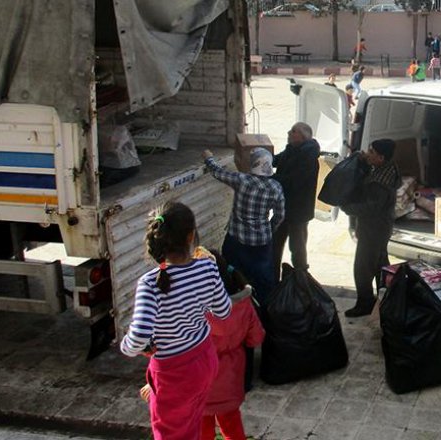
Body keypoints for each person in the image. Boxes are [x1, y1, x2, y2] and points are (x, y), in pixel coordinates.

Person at [121, 202, 232, 440]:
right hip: (204, 361)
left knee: (171, 433)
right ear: (191, 236)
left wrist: (127, 346)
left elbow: (139, 334)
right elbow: (223, 311)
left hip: (173, 373)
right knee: (191, 420)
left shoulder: (150, 283)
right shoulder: (208, 267)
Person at [199, 251, 265, 440]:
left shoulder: (193, 311)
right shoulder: (244, 303)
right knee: (233, 428)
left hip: (201, 382)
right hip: (232, 380)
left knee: (202, 431)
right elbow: (256, 338)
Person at [205, 148, 284, 304]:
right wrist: (268, 228)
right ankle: (263, 312)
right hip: (262, 241)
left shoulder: (241, 180)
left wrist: (209, 158)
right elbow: (280, 215)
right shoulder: (276, 187)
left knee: (232, 275)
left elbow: (217, 171)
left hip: (236, 240)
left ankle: (237, 308)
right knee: (263, 281)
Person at [341, 140, 401, 317]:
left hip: (374, 228)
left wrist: (347, 208)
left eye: (372, 151)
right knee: (380, 265)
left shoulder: (380, 183)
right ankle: (390, 299)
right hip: (380, 227)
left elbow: (370, 207)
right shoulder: (388, 169)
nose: (368, 153)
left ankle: (365, 303)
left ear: (381, 157)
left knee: (362, 267)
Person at [272, 122, 320, 279]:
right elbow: (275, 160)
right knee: (274, 244)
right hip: (284, 207)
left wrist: (271, 179)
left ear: (303, 136)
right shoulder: (291, 149)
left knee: (297, 248)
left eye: (293, 131)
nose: (289, 133)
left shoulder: (308, 157)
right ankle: (272, 279)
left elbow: (295, 181)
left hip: (298, 211)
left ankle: (301, 281)